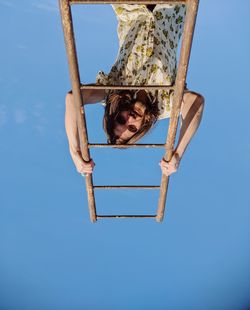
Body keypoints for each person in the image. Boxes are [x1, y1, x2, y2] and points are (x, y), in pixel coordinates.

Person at [65, 4, 205, 177]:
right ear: (140, 129)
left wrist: (74, 151)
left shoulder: (111, 89)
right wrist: (178, 153)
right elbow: (196, 102)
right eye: (131, 128)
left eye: (121, 119)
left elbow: (73, 99)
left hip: (132, 7)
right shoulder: (166, 105)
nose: (130, 119)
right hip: (170, 6)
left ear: (115, 112)